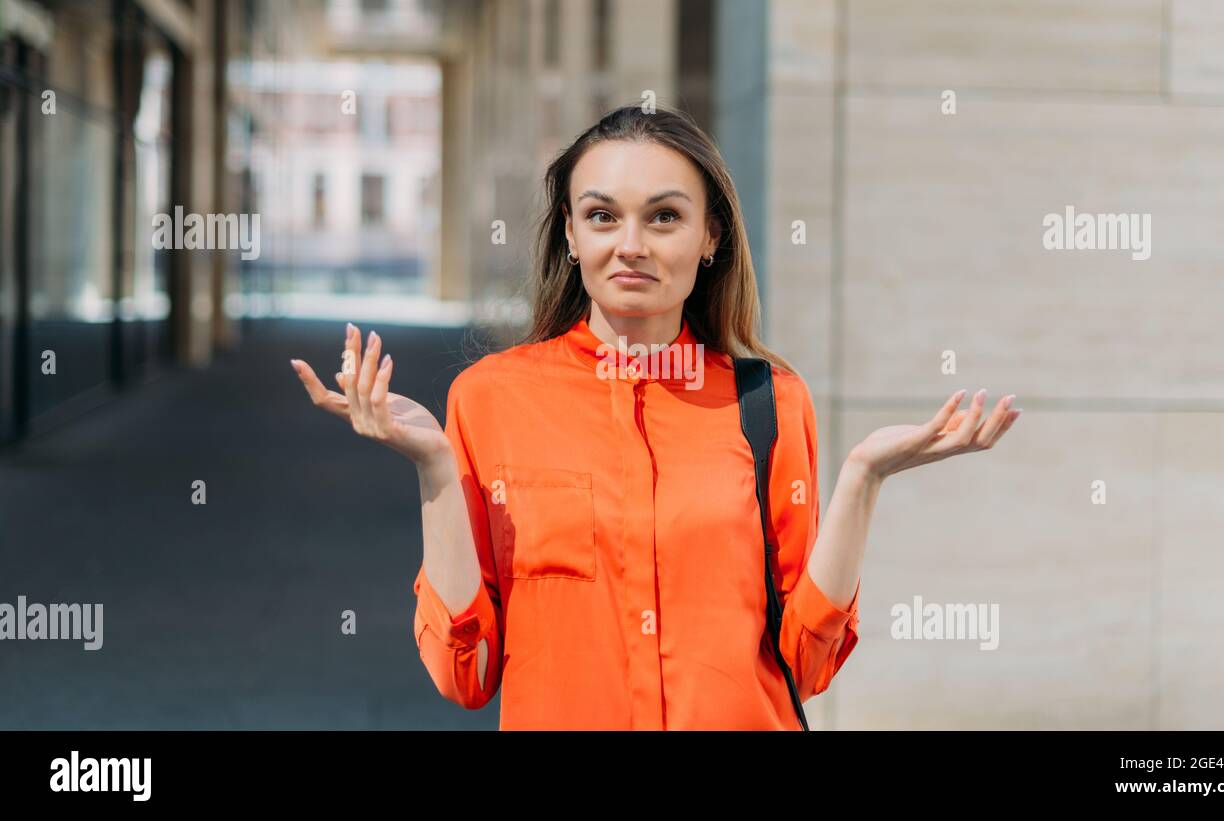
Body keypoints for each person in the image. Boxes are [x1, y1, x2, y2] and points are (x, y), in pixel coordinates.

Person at [289, 104, 1020, 730]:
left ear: (710, 239)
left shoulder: (768, 401)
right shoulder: (489, 398)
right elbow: (467, 675)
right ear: (571, 237)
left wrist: (862, 478)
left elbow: (807, 660)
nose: (630, 244)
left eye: (664, 216)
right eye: (602, 216)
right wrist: (436, 469)